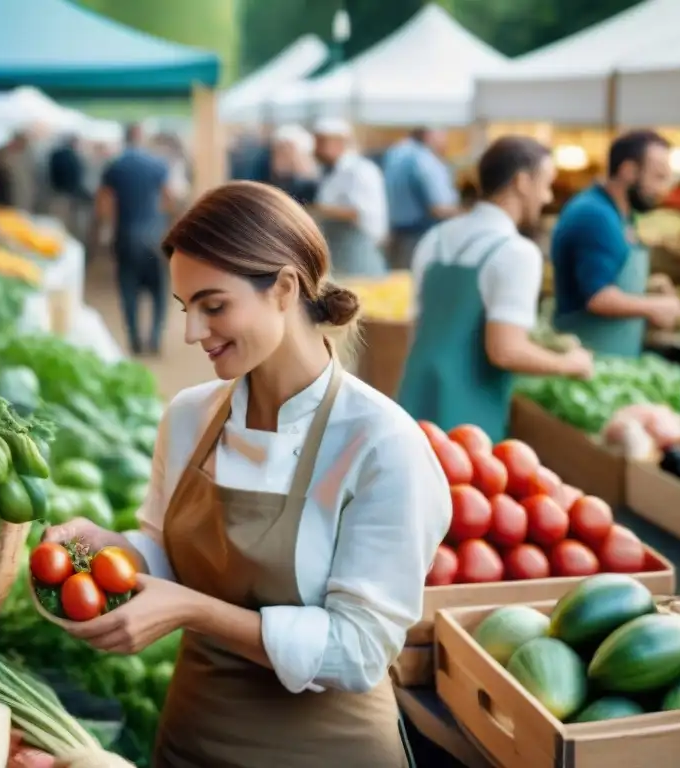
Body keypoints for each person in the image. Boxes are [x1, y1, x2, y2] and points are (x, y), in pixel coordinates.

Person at [46, 181, 450, 768]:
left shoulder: (381, 443)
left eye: (213, 306)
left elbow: (360, 652)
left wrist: (192, 610)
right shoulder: (189, 417)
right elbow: (169, 550)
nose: (191, 333)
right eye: (187, 309)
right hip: (191, 738)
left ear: (285, 288)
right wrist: (117, 553)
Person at [397, 136, 594, 441]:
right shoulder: (516, 252)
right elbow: (506, 350)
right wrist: (571, 364)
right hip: (467, 417)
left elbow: (416, 324)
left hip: (414, 399)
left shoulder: (435, 238)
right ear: (522, 182)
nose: (546, 197)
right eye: (545, 183)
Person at [550, 130, 680, 356]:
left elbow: (605, 273)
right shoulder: (595, 215)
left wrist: (647, 286)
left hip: (614, 355)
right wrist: (656, 306)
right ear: (629, 171)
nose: (663, 189)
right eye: (658, 177)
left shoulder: (621, 214)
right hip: (588, 357)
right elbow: (597, 297)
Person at [96, 123, 175, 356]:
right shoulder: (157, 164)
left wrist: (105, 231)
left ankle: (134, 339)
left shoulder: (115, 166)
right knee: (159, 289)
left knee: (128, 288)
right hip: (153, 235)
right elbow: (169, 197)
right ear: (142, 137)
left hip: (126, 234)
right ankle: (155, 337)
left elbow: (104, 203)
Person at [310, 118, 389, 277]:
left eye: (321, 143)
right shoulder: (329, 171)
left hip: (359, 253)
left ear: (339, 142)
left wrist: (317, 210)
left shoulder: (360, 170)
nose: (316, 149)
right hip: (340, 253)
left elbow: (359, 212)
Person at [382, 128, 460, 270]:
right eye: (442, 133)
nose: (446, 140)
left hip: (398, 237)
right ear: (429, 134)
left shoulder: (395, 153)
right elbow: (438, 208)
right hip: (420, 237)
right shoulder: (424, 159)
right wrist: (468, 213)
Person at [268, 124, 319, 205]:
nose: (278, 159)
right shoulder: (272, 181)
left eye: (285, 153)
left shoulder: (313, 185)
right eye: (276, 153)